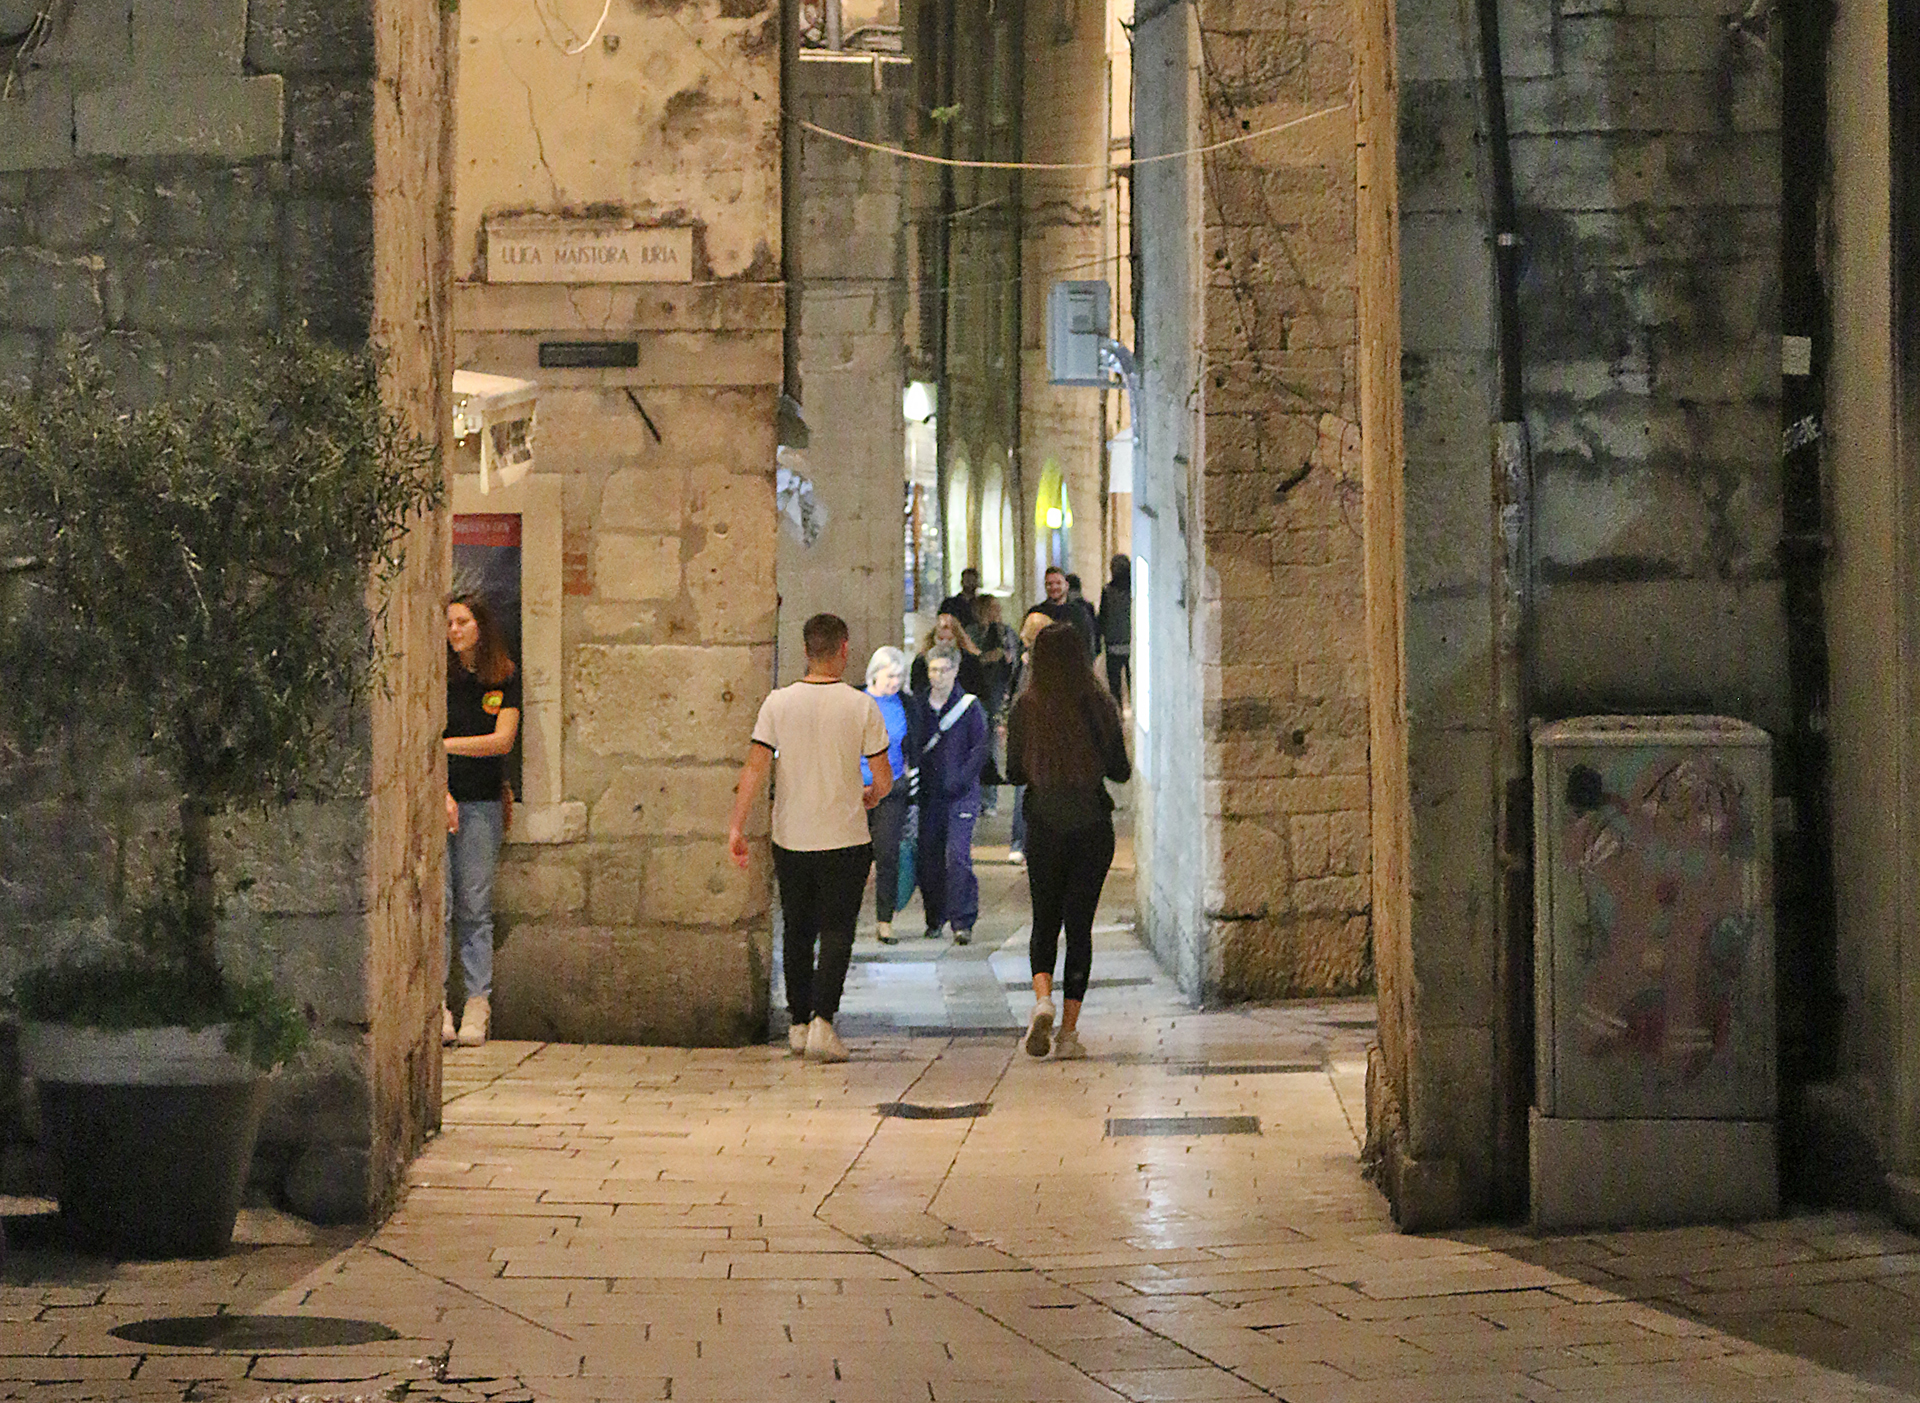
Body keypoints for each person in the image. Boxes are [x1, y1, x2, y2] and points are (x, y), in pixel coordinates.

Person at [728, 613, 892, 1063]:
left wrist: (737, 827)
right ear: (843, 649)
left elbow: (756, 768)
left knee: (797, 930)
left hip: (792, 837)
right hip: (844, 837)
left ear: (805, 652)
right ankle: (823, 1021)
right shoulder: (861, 706)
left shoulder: (778, 703)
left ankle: (798, 1024)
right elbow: (883, 779)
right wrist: (871, 795)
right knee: (837, 931)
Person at [1006, 622, 1131, 1061]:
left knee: (1045, 920)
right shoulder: (1100, 705)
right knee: (1080, 928)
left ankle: (1042, 1001)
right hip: (1092, 824)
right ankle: (1070, 1033)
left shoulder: (1027, 706)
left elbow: (1014, 773)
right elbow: (1120, 771)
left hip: (1043, 823)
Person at [444, 592, 521, 1048]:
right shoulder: (438, 678)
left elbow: (502, 740)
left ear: (481, 627)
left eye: (462, 622)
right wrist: (441, 788)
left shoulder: (504, 677)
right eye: (450, 623)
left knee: (475, 905)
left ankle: (477, 1002)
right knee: (439, 906)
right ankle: (436, 1005)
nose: (454, 631)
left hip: (482, 803)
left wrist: (447, 747)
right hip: (443, 801)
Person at [914, 645, 988, 944]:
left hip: (960, 795)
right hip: (929, 795)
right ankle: (935, 917)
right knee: (928, 858)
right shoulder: (919, 705)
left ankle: (962, 920)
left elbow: (980, 748)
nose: (938, 676)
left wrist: (961, 779)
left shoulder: (969, 707)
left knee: (958, 855)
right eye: (933, 669)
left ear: (955, 670)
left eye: (944, 669)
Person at [861, 645, 926, 946]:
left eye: (899, 676)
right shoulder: (857, 699)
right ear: (875, 674)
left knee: (887, 854)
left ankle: (884, 921)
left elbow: (915, 742)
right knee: (853, 857)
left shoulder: (906, 704)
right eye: (889, 676)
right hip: (856, 789)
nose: (895, 682)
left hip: (892, 788)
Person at [1006, 605, 1052, 866]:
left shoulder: (1027, 663)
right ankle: (1023, 842)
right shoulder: (1031, 664)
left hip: (1029, 735)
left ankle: (1021, 843)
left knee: (1023, 791)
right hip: (1033, 735)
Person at [972, 595, 1018, 814]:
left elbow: (1013, 659)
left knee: (989, 742)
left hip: (995, 692)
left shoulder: (1004, 631)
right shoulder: (972, 632)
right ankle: (978, 795)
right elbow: (973, 658)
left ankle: (989, 799)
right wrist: (990, 656)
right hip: (977, 691)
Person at [909, 611, 987, 699]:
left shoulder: (971, 662)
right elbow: (916, 690)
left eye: (950, 639)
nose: (945, 643)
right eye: (940, 639)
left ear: (958, 638)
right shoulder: (921, 661)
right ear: (933, 638)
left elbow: (980, 692)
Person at [1031, 565, 1096, 661]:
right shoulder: (1037, 613)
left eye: (1058, 583)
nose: (1053, 587)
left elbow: (1087, 644)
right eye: (1049, 584)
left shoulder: (1078, 613)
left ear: (1066, 585)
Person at [1098, 555, 1132, 704]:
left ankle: (1118, 710)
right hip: (1131, 643)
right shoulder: (1134, 589)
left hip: (1113, 643)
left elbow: (1103, 616)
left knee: (1114, 683)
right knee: (1133, 678)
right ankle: (1133, 705)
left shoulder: (1107, 590)